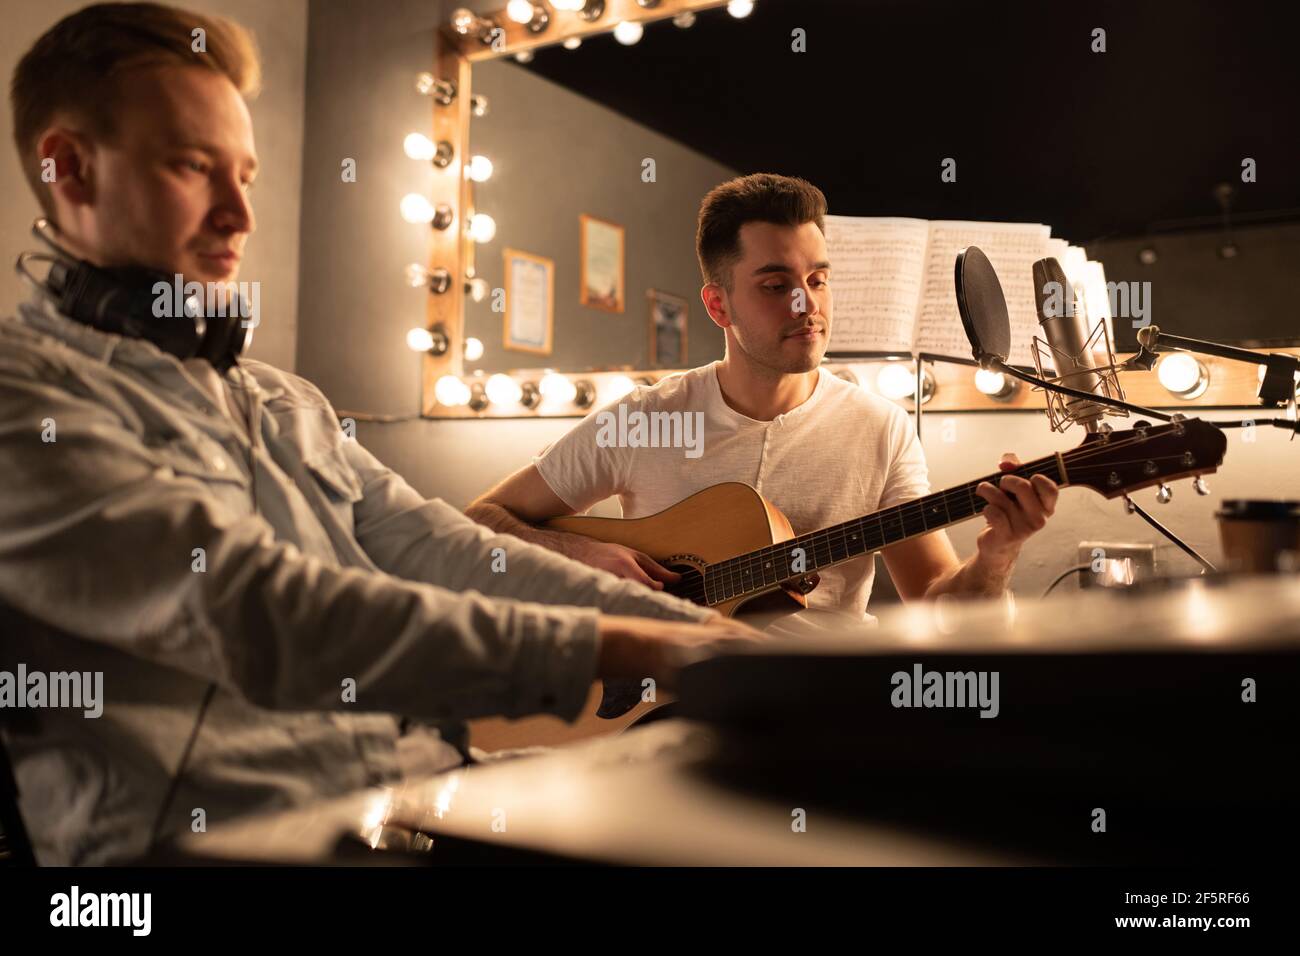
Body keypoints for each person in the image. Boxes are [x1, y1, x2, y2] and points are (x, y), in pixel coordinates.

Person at [0, 2, 756, 866]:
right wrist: (623, 646)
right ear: (68, 167)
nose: (239, 216)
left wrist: (700, 636)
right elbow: (260, 611)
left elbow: (447, 548)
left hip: (412, 798)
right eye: (191, 167)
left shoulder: (285, 401)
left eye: (243, 175)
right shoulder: (24, 397)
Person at [467, 174, 1060, 626]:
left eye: (818, 280)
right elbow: (478, 523)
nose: (808, 306)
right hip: (670, 698)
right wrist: (576, 553)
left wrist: (998, 555)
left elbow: (942, 613)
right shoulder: (645, 420)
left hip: (823, 713)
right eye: (776, 286)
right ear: (718, 305)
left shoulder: (881, 428)